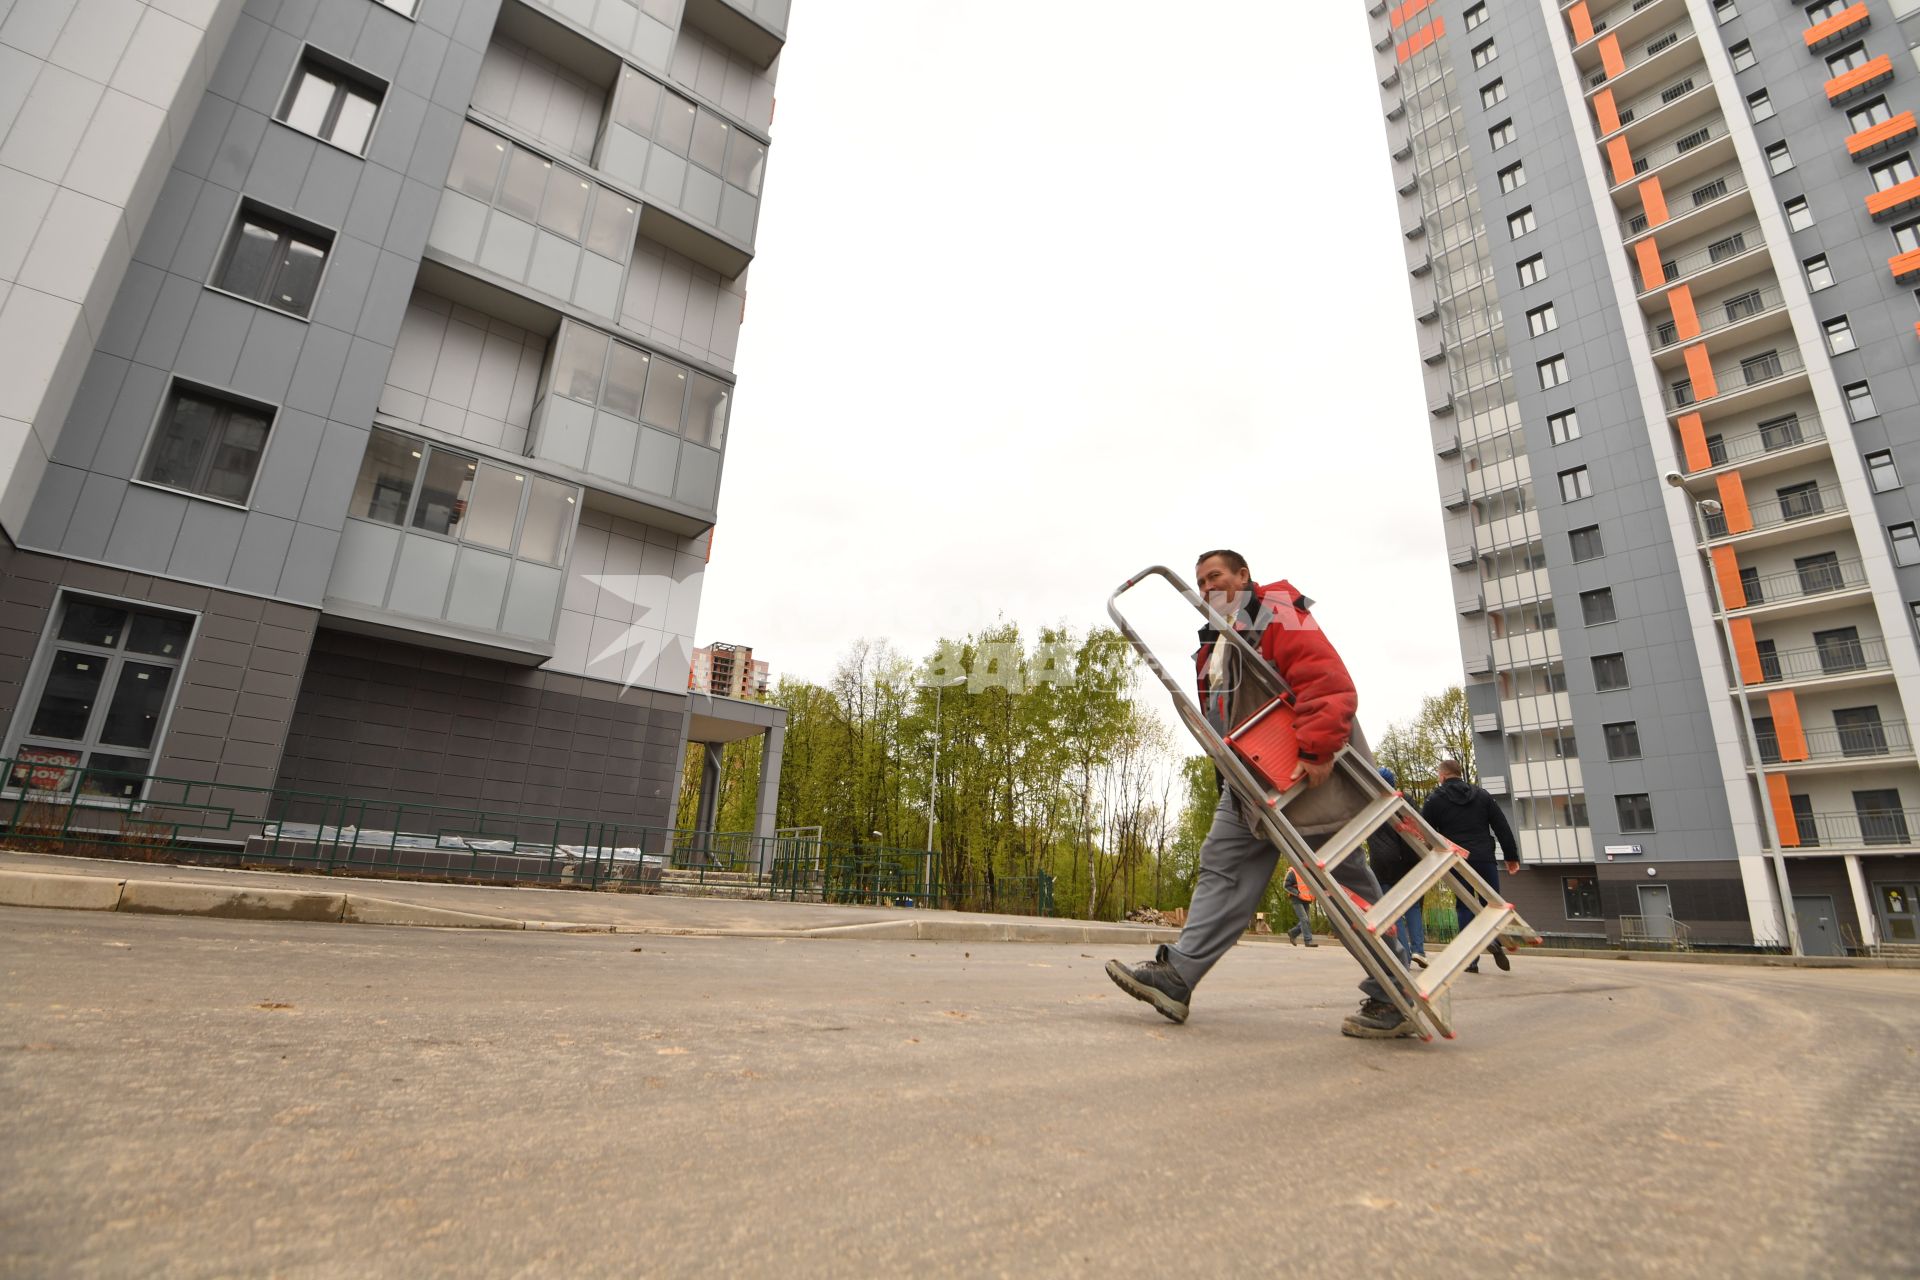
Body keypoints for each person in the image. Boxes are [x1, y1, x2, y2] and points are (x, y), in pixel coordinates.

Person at [1106, 549, 1414, 1039]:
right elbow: (1222, 720)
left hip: (1307, 780)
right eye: (1201, 582)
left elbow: (1328, 681)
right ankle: (1177, 978)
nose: (1208, 588)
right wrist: (1226, 779)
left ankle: (1394, 990)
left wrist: (1317, 749)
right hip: (1249, 787)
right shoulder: (1213, 644)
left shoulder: (1279, 609)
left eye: (1216, 577)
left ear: (1243, 576)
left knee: (1343, 886)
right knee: (1221, 870)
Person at [1421, 757, 1520, 973]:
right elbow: (1501, 825)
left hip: (1458, 860)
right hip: (1485, 858)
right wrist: (1512, 856)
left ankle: (1470, 960)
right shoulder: (1482, 795)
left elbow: (1424, 831)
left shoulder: (1435, 799)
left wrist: (1427, 858)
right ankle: (1493, 940)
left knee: (1464, 906)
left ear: (1443, 776)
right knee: (1491, 904)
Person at [1367, 766, 1426, 969]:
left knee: (1393, 910)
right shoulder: (1405, 800)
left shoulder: (1370, 803)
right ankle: (1419, 949)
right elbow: (1419, 826)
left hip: (1383, 862)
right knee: (1412, 906)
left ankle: (1405, 956)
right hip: (1408, 860)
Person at [1282, 866, 1317, 947]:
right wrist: (1297, 893)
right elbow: (1285, 885)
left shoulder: (1310, 871)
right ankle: (1308, 941)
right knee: (1304, 919)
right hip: (1296, 898)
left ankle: (1293, 933)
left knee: (1306, 920)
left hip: (1306, 898)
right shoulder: (1293, 872)